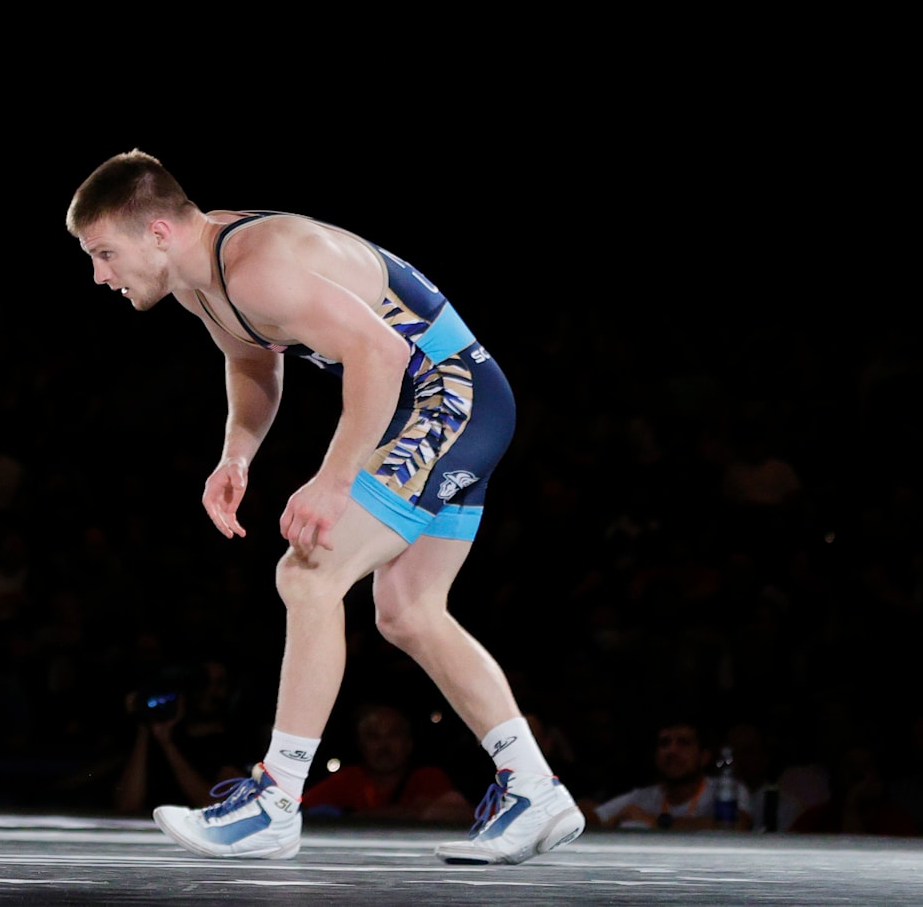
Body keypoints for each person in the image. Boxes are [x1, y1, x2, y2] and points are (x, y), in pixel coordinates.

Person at [67, 151, 580, 865]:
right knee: (407, 609)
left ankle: (274, 802)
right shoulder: (200, 283)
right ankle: (536, 789)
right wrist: (237, 454)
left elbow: (381, 354)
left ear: (156, 232)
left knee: (307, 575)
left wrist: (336, 480)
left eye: (103, 253)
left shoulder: (256, 264)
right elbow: (253, 363)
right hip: (445, 406)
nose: (99, 275)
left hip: (448, 399)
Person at [300, 704, 467, 822]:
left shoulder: (428, 777)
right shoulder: (347, 779)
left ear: (409, 743)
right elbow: (300, 809)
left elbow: (453, 811)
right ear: (360, 745)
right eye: (373, 736)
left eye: (393, 735)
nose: (384, 746)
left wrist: (352, 816)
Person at [593, 722, 747, 830]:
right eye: (664, 743)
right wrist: (611, 820)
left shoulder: (727, 789)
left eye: (683, 743)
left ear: (704, 757)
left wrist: (657, 822)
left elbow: (740, 825)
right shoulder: (643, 797)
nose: (672, 751)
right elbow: (591, 816)